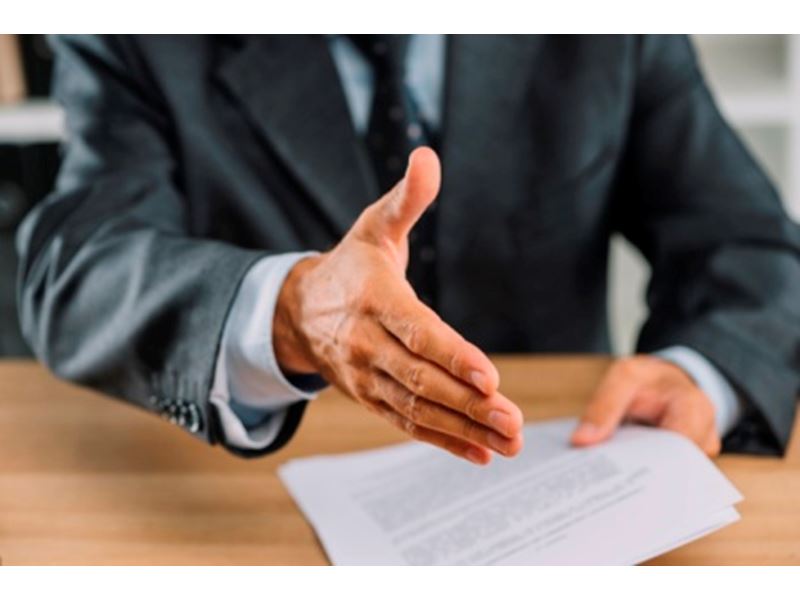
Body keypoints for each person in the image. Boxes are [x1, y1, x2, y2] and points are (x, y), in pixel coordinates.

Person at [17, 34, 800, 464]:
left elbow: (751, 242)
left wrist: (704, 374)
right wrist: (290, 310)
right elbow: (74, 268)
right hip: (272, 503)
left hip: (564, 463)